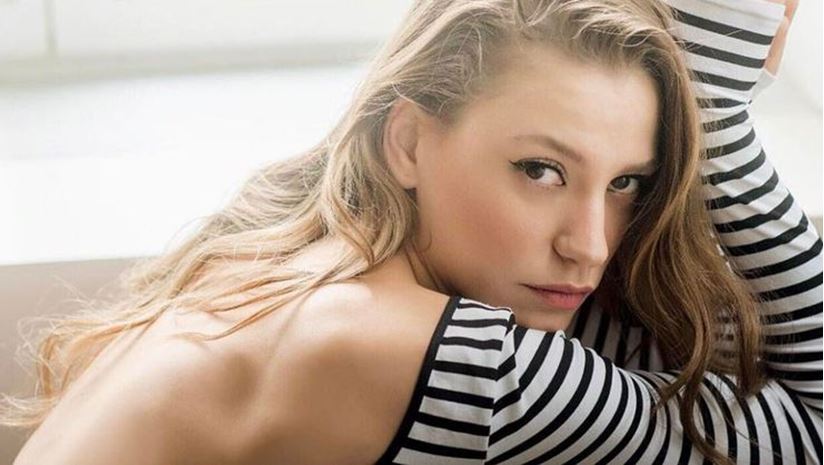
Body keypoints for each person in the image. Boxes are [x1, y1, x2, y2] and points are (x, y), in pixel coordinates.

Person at [3, 0, 820, 464]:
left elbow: (650, 369)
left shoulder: (299, 264)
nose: (591, 243)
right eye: (540, 169)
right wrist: (716, 111)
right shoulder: (455, 362)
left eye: (625, 183)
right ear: (407, 142)